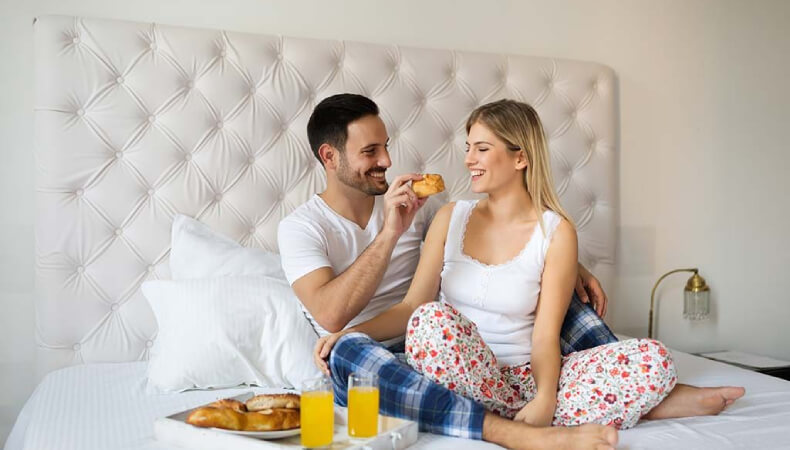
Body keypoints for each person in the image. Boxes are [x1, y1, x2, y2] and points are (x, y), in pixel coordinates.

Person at [315, 99, 746, 439]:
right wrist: (350, 334)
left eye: (482, 148)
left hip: (523, 372)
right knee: (429, 322)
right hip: (461, 367)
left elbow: (545, 335)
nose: (469, 160)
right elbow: (412, 306)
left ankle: (517, 417)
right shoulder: (451, 217)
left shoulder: (556, 232)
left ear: (520, 158)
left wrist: (544, 396)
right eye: (468, 148)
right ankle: (556, 421)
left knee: (654, 358)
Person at [278, 94, 620, 448]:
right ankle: (505, 430)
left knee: (567, 306)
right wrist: (391, 232)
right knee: (347, 353)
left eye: (386, 147)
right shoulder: (301, 227)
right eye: (370, 151)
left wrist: (563, 257)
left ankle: (627, 394)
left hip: (456, 348)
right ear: (329, 156)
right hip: (381, 349)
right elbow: (332, 315)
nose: (387, 160)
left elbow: (494, 232)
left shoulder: (421, 205)